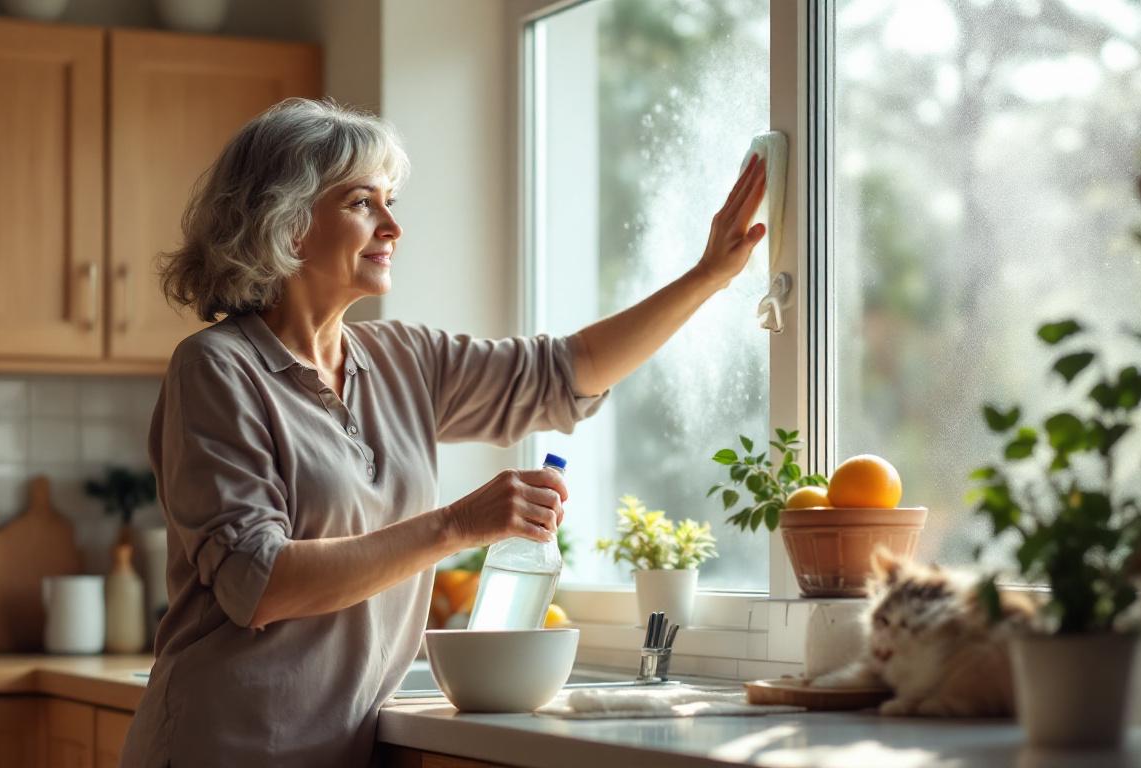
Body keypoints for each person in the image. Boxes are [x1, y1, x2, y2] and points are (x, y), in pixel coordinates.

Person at [119, 97, 766, 767]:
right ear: (286, 225)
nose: (392, 225)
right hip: (221, 748)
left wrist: (707, 277)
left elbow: (568, 373)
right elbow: (259, 584)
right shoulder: (217, 369)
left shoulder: (405, 359)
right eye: (362, 203)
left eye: (390, 201)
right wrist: (457, 525)